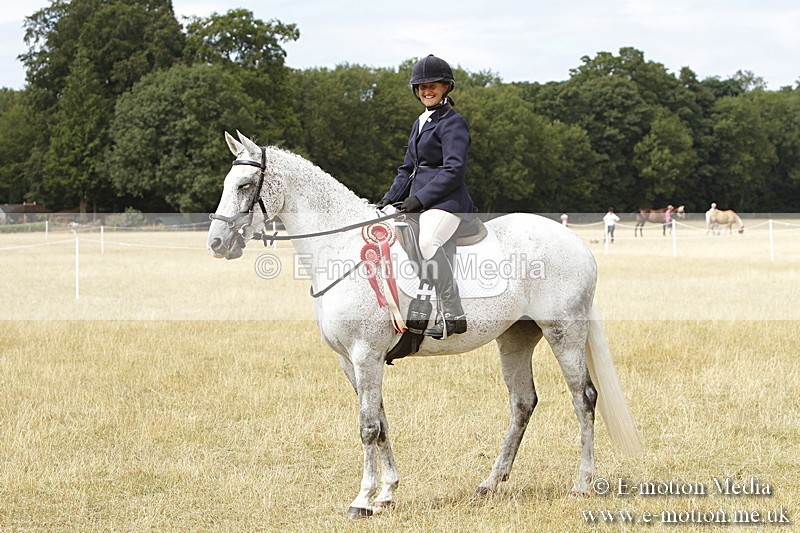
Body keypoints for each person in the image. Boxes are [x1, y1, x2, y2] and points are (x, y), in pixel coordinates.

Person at [375, 54, 475, 339]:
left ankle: (453, 309)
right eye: (421, 87)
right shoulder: (420, 122)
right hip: (419, 200)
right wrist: (387, 200)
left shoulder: (453, 123)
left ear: (445, 87)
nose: (426, 91)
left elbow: (454, 170)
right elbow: (408, 168)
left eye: (433, 86)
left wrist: (419, 199)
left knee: (428, 242)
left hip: (447, 202)